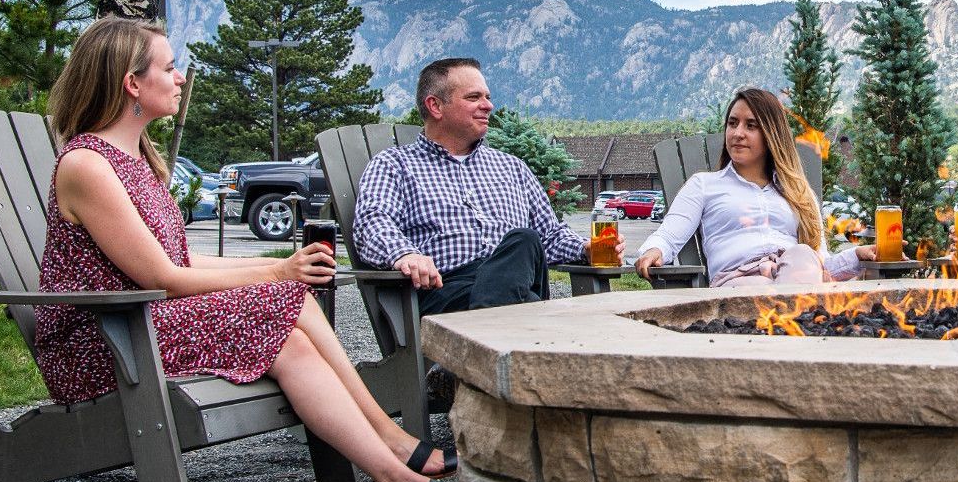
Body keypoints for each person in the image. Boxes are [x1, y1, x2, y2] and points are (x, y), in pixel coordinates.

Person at [36, 17, 453, 482]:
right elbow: (162, 276)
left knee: (291, 320)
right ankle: (394, 455)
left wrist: (279, 270)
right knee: (287, 302)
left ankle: (397, 474)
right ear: (133, 84)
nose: (180, 77)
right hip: (104, 343)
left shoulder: (135, 160)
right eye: (169, 68)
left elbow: (181, 260)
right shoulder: (87, 165)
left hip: (145, 325)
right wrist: (277, 271)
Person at [354, 57, 589, 406]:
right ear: (435, 105)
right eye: (474, 97)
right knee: (535, 301)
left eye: (487, 96)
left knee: (523, 241)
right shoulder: (395, 165)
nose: (488, 105)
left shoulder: (511, 168)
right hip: (447, 293)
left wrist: (587, 249)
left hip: (514, 278)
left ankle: (468, 363)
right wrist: (405, 254)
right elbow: (372, 221)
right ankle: (496, 356)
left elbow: (550, 236)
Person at [635, 88, 868, 286]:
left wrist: (858, 256)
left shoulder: (799, 192)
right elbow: (667, 236)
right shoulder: (704, 185)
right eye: (733, 123)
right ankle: (795, 323)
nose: (738, 133)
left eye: (751, 126)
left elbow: (822, 261)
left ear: (771, 135)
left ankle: (789, 319)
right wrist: (653, 252)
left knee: (804, 254)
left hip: (796, 275)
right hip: (739, 282)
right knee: (777, 290)